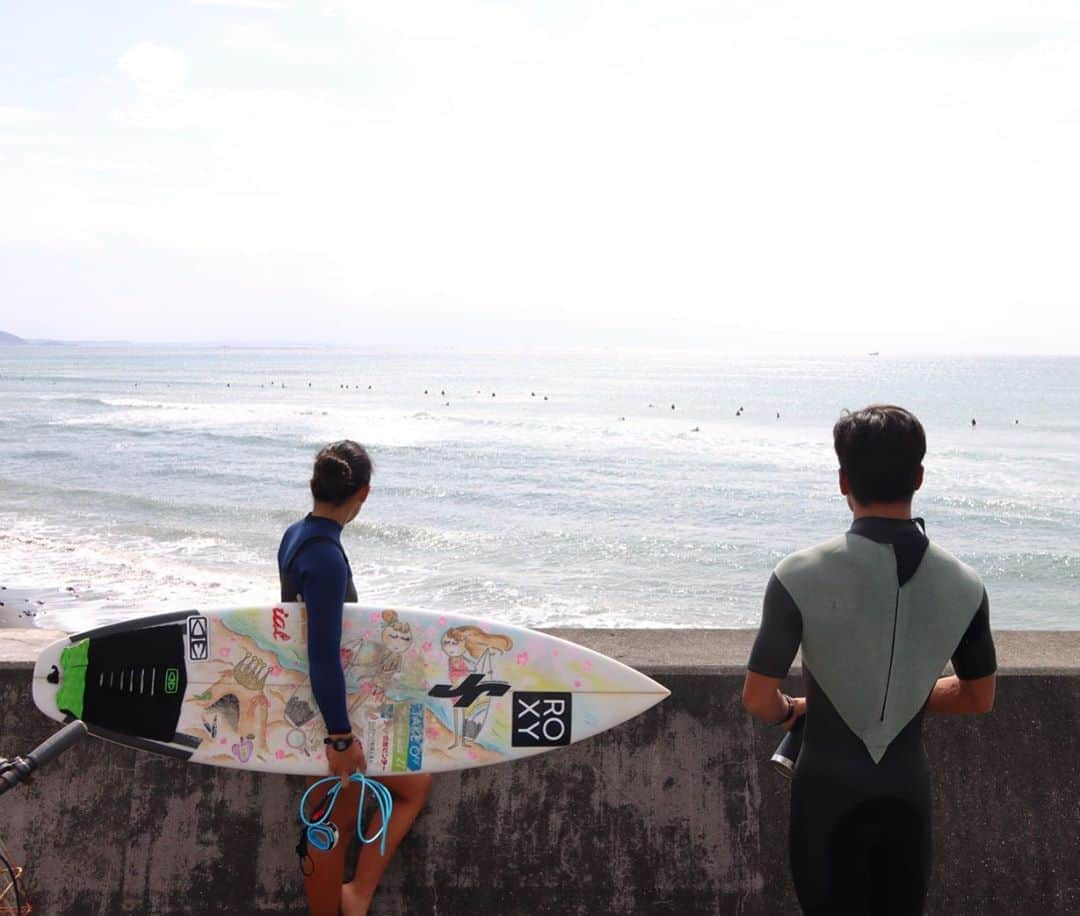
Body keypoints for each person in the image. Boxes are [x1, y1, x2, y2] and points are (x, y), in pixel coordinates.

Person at [742, 405, 997, 915]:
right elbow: (977, 697)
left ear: (842, 481)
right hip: (906, 795)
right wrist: (902, 691)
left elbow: (756, 698)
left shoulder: (798, 574)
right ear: (919, 478)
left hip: (826, 796)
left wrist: (792, 709)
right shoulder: (966, 584)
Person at [279, 440, 433, 916]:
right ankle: (352, 897)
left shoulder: (295, 534)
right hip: (330, 707)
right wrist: (341, 737)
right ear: (362, 494)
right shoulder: (325, 558)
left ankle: (350, 896)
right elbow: (323, 651)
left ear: (314, 486)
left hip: (316, 694)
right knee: (343, 811)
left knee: (347, 806)